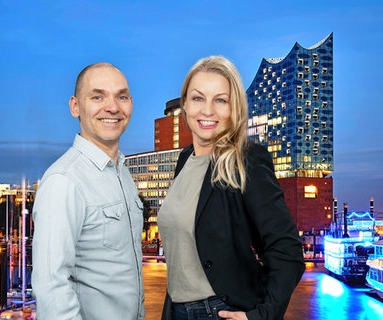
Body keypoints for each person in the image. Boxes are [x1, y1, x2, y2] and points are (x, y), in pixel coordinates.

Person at [158, 56, 305, 320]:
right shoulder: (184, 159)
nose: (207, 111)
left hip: (218, 312)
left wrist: (262, 316)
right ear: (186, 105)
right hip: (176, 310)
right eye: (198, 98)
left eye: (220, 100)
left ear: (234, 108)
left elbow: (287, 249)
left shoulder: (246, 158)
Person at [32, 62, 145, 319]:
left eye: (122, 96)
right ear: (75, 107)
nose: (113, 107)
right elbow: (51, 287)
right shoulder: (64, 181)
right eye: (98, 96)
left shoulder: (123, 173)